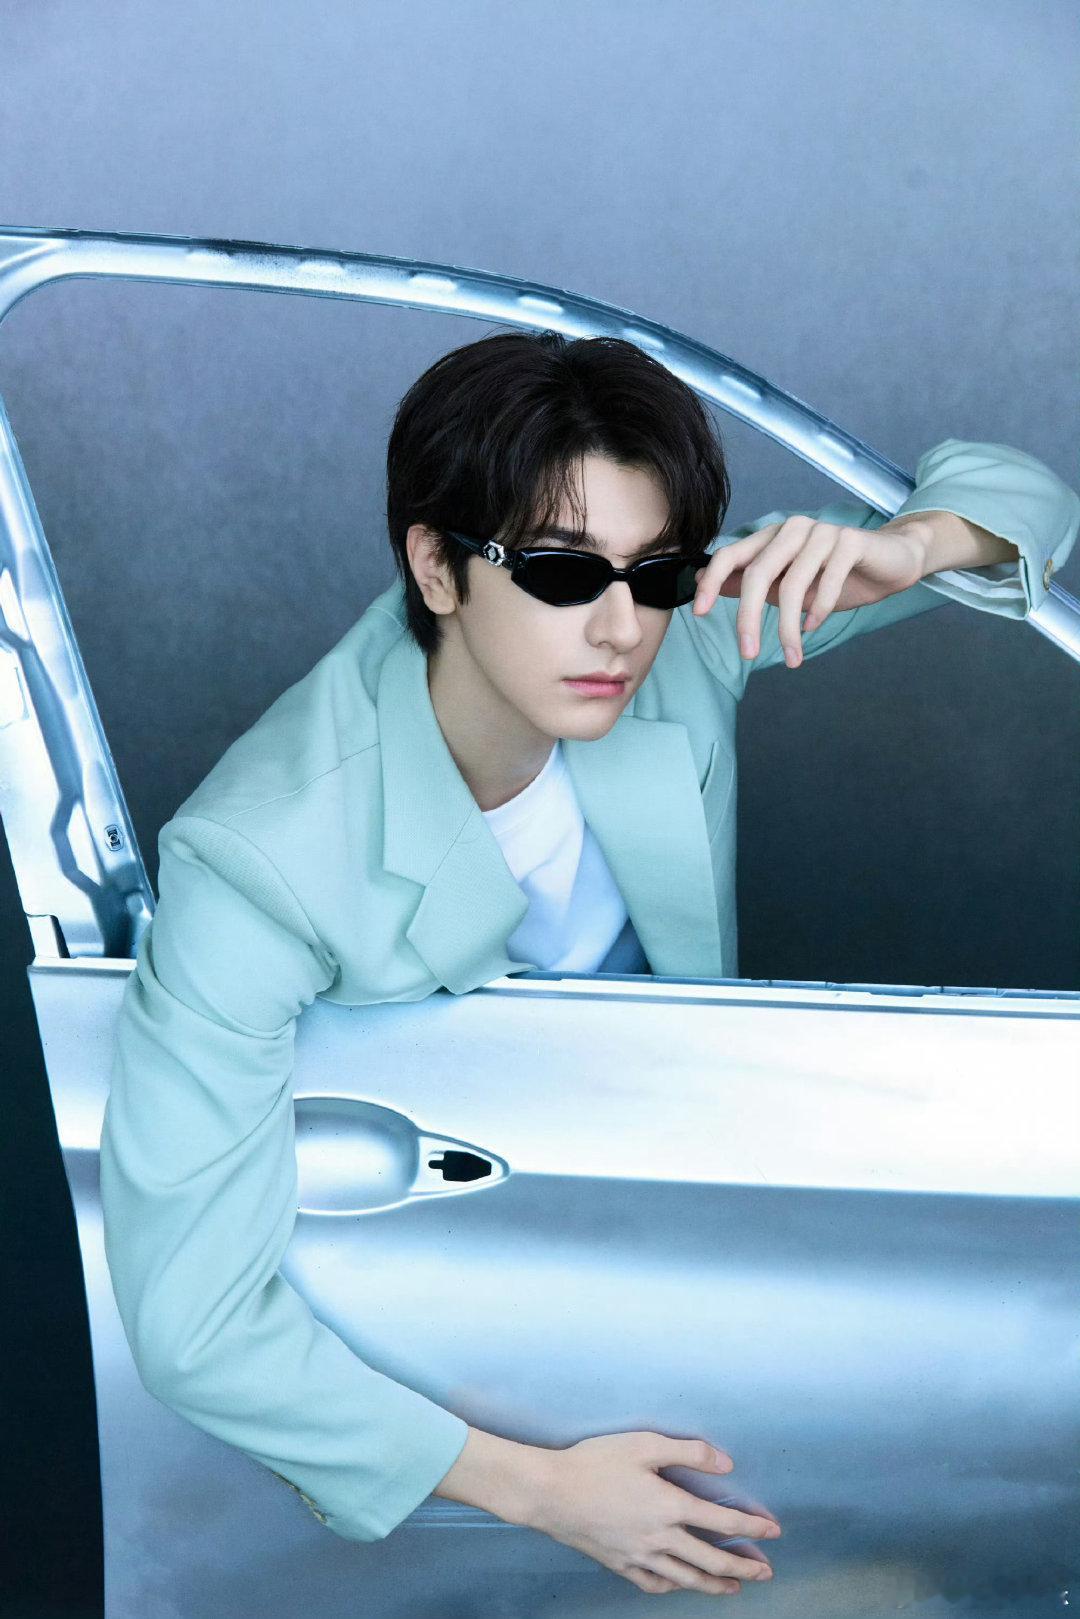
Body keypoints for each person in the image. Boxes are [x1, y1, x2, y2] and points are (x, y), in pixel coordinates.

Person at [98, 330, 1079, 1600]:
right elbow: (192, 1326)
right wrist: (541, 1490)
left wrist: (911, 549)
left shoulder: (681, 635)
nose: (619, 629)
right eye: (562, 571)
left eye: (653, 570)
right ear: (437, 565)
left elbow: (1022, 492)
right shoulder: (262, 857)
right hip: (455, 1346)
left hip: (671, 1224)